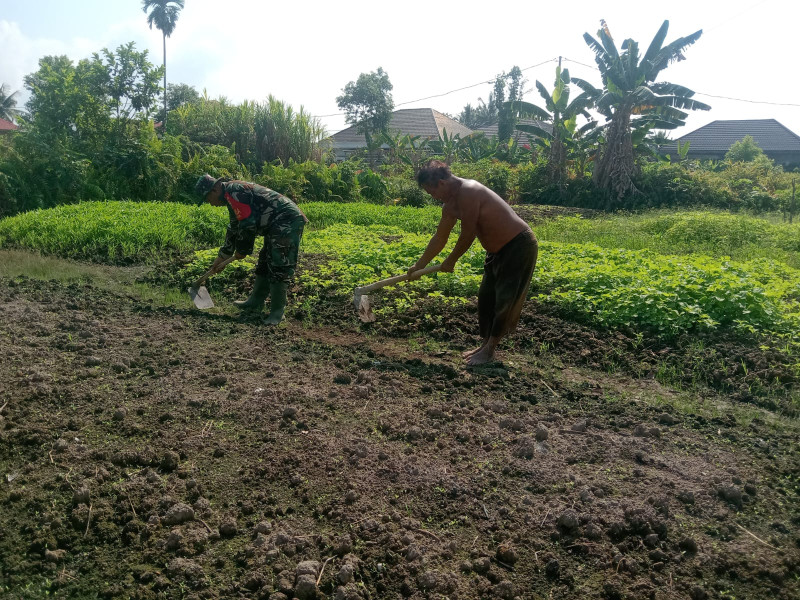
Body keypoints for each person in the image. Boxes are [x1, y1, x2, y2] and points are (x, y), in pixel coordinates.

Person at [407, 160, 538, 366]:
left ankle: (489, 351)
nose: (433, 197)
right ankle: (485, 345)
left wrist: (450, 261)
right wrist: (419, 265)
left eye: (431, 192)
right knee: (486, 299)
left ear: (441, 183)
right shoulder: (449, 206)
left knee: (505, 300)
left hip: (518, 246)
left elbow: (467, 234)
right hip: (496, 252)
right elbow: (440, 238)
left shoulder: (469, 190)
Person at [195, 174, 308, 325]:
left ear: (215, 189)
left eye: (208, 199)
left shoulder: (235, 192)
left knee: (279, 262)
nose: (211, 204)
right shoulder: (230, 196)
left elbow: (248, 224)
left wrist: (243, 250)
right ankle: (256, 301)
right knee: (264, 260)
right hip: (274, 223)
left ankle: (277, 312)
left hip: (287, 219)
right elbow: (234, 228)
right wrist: (222, 257)